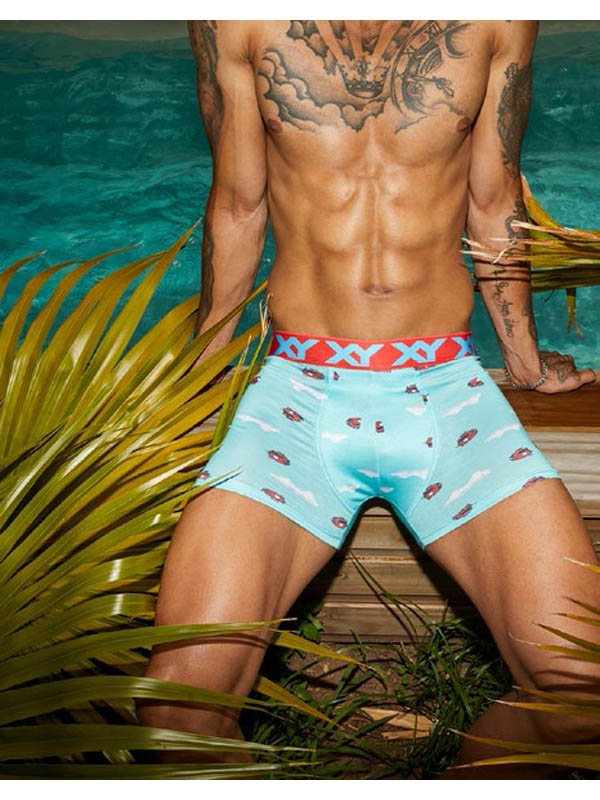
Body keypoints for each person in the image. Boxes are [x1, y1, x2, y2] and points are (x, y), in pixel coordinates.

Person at [138, 20, 600, 778]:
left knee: (581, 697)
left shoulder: (498, 16)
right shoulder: (237, 17)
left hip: (446, 393)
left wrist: (522, 362)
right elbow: (238, 205)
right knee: (176, 713)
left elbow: (493, 201)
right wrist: (204, 376)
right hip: (295, 395)